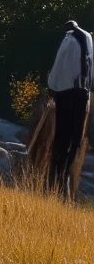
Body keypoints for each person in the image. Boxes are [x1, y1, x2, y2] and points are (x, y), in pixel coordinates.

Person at [45, 16, 94, 195]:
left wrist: (52, 86)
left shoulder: (69, 39)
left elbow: (59, 66)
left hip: (67, 94)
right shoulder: (88, 40)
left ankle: (55, 177)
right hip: (83, 94)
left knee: (61, 137)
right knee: (75, 139)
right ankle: (65, 177)